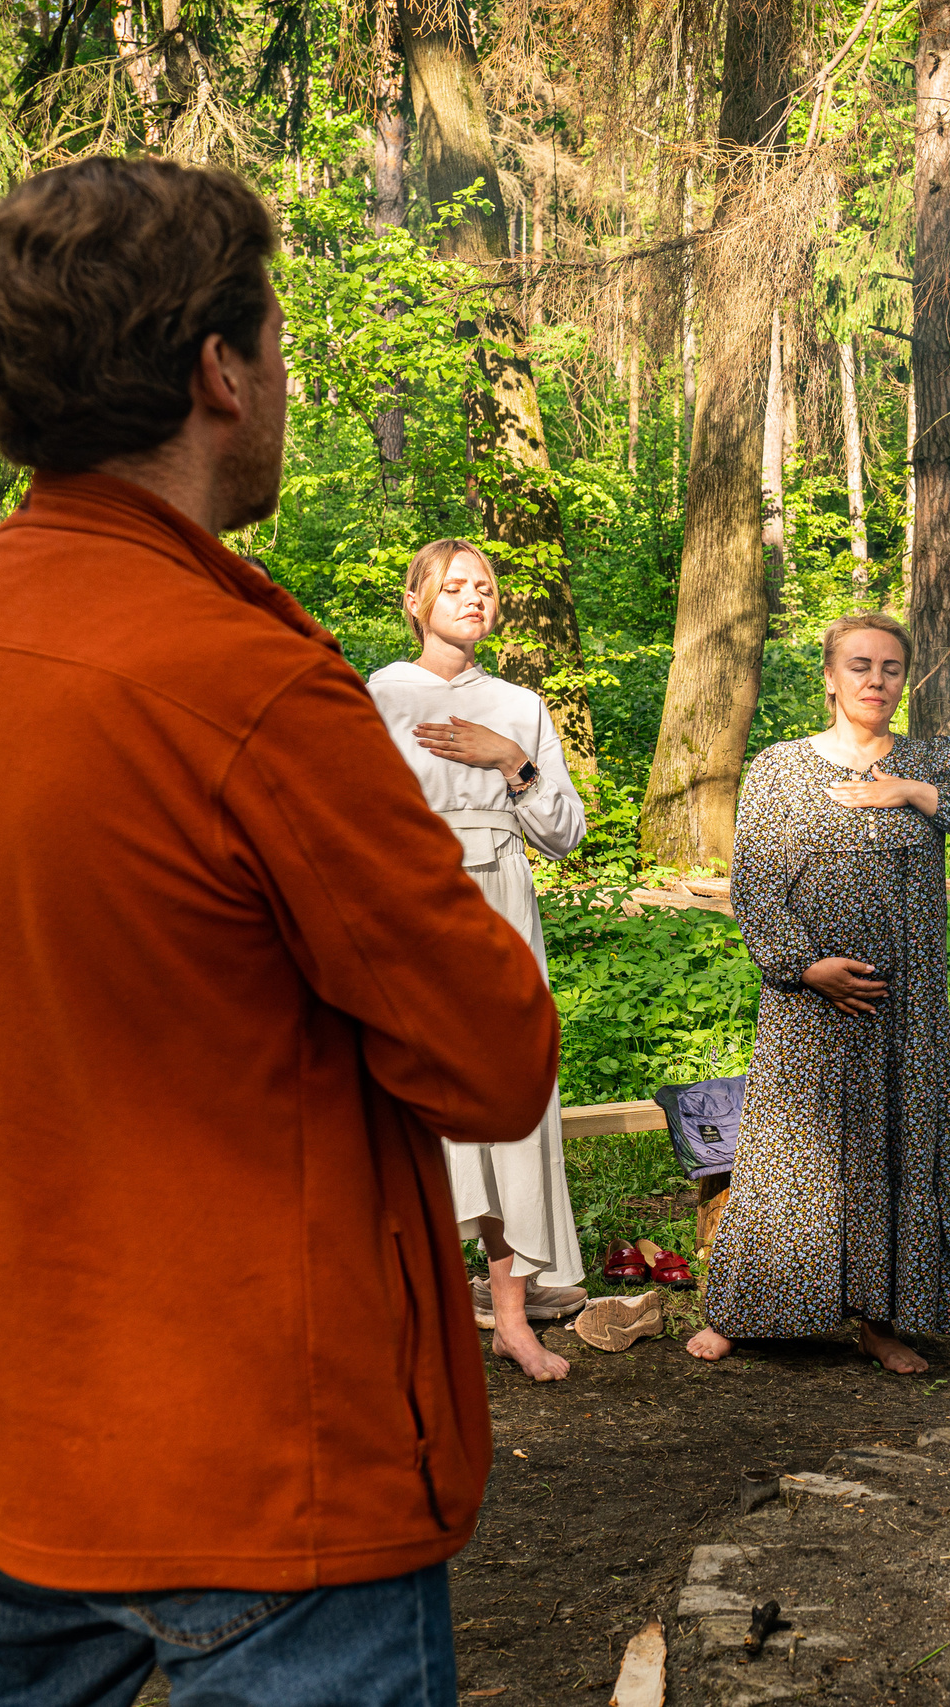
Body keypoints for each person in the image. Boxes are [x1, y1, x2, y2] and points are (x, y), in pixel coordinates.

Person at [0, 158, 557, 1707]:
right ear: (216, 372)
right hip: (258, 1449)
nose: (283, 381)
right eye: (275, 346)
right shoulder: (253, 682)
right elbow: (493, 1058)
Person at [686, 612, 950, 1374]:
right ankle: (745, 1310)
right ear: (831, 677)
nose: (877, 680)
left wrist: (915, 791)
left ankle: (880, 1319)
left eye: (892, 668)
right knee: (789, 1157)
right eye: (861, 666)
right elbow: (757, 883)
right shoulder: (779, 766)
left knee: (891, 1156)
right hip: (808, 1005)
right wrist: (806, 968)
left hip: (906, 1010)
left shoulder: (932, 758)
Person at [368, 539, 589, 1384]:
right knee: (419, 1098)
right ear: (415, 602)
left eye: (485, 587)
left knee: (510, 1095)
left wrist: (509, 759)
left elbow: (564, 834)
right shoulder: (382, 695)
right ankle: (416, 1318)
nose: (473, 598)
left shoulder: (520, 704)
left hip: (504, 906)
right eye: (453, 587)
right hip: (417, 908)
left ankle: (512, 1321)